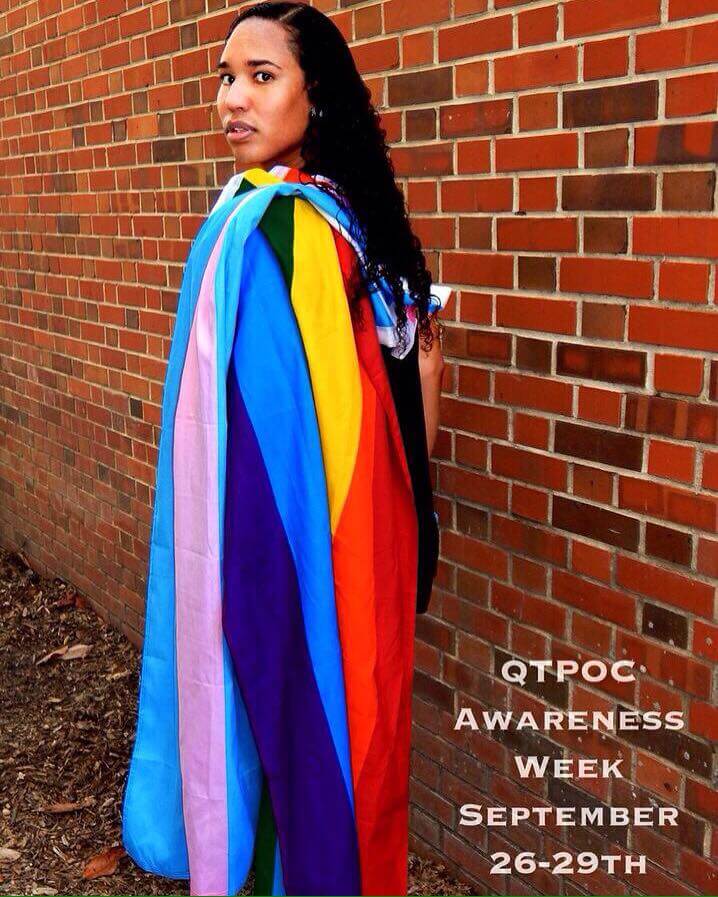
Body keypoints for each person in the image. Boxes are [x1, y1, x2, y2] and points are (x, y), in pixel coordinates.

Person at [121, 3, 449, 896]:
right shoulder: (337, 225)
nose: (234, 97)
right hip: (355, 536)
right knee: (343, 736)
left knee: (283, 720)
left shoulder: (278, 229)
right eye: (227, 77)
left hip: (286, 544)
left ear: (318, 96)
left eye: (262, 76)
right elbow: (420, 399)